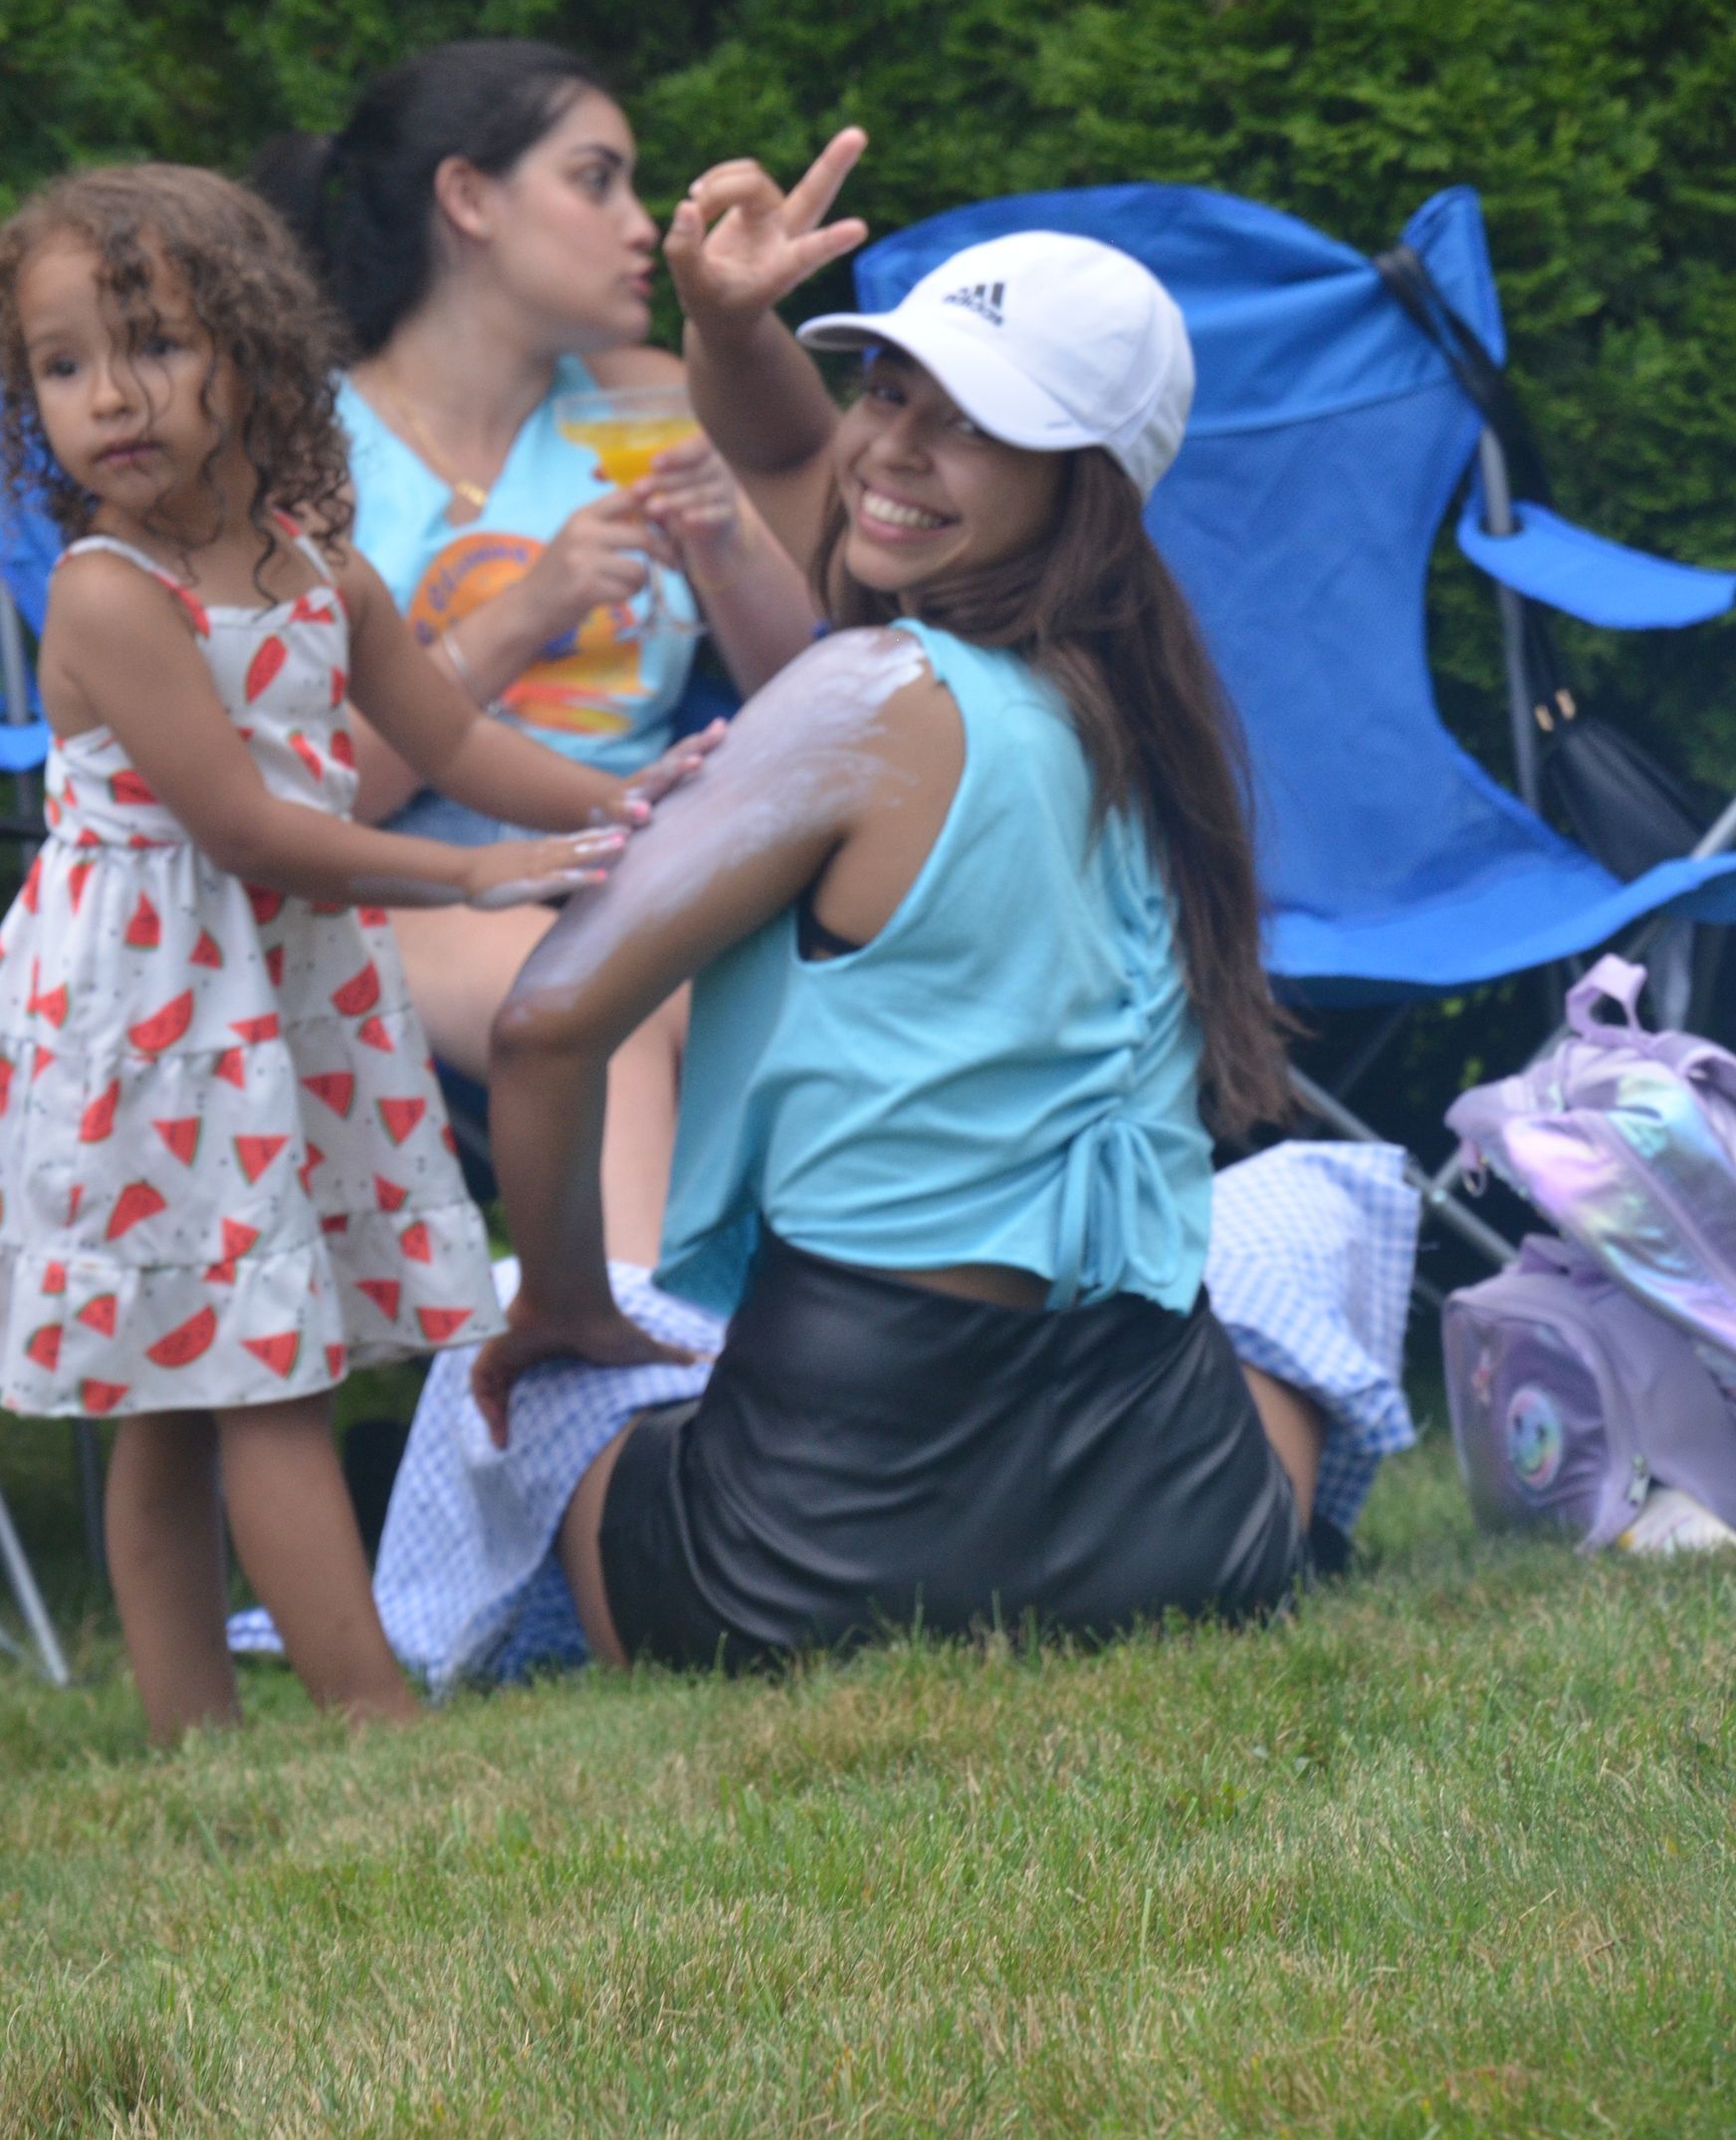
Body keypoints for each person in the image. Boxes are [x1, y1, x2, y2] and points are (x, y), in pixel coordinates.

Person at [465, 171, 1337, 1672]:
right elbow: (811, 458)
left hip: (803, 1570)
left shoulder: (870, 694)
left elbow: (546, 1020)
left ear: (1080, 480)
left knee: (534, 1378)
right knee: (1318, 1219)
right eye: (889, 385)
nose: (899, 447)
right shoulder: (1141, 696)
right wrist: (728, 324)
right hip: (1185, 1539)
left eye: (978, 419)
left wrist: (557, 1303)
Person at [0, 162, 699, 1742]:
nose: (110, 396)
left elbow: (454, 732)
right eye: (62, 366)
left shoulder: (323, 574)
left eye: (155, 345)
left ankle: (199, 1734)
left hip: (274, 1011)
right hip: (154, 1027)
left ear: (251, 350)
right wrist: (472, 887)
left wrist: (631, 799)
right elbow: (251, 831)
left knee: (202, 1379)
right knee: (240, 1372)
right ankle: (367, 1712)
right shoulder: (110, 596)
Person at [254, 42, 825, 1262]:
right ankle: (627, 1380)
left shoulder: (648, 399)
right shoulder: (311, 456)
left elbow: (810, 697)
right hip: (392, 890)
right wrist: (522, 610)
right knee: (604, 1000)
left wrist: (725, 547)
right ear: (468, 200)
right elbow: (293, 793)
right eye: (597, 180)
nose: (642, 227)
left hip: (634, 869)